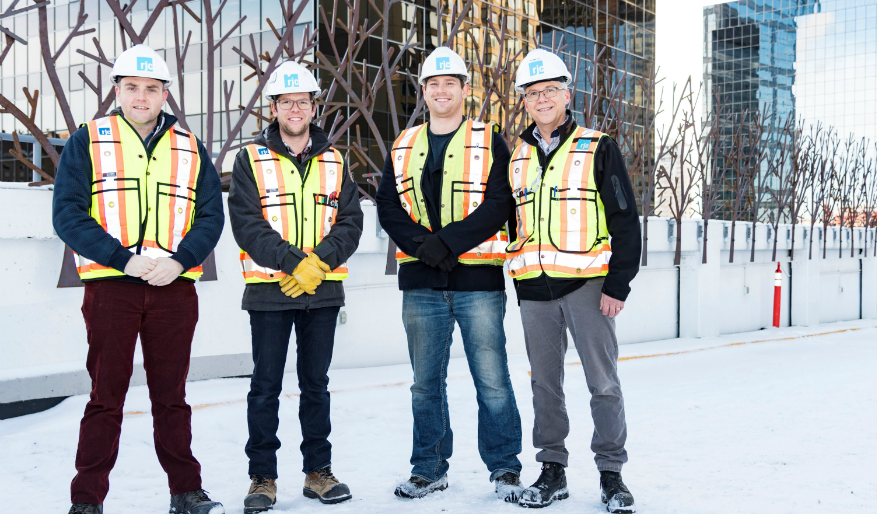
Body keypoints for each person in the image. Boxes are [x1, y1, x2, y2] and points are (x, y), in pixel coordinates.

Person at [52, 44, 225, 514]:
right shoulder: (88, 139)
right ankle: (87, 500)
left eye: (151, 89)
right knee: (105, 397)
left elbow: (211, 214)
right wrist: (123, 259)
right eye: (132, 88)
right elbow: (66, 213)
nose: (141, 97)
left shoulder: (189, 145)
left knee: (172, 398)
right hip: (112, 287)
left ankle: (186, 492)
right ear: (117, 91)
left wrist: (180, 260)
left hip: (174, 287)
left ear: (165, 94)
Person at [376, 46, 524, 502]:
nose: (441, 91)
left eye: (450, 83)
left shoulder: (489, 138)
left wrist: (449, 242)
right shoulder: (403, 143)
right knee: (425, 383)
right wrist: (426, 247)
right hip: (421, 284)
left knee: (492, 378)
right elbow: (387, 207)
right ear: (423, 91)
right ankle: (429, 468)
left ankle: (504, 469)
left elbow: (501, 202)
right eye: (433, 84)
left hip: (477, 281)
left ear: (464, 90)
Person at [506, 49, 642, 513]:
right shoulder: (516, 156)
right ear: (524, 101)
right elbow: (511, 222)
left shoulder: (597, 146)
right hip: (534, 290)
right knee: (544, 384)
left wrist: (618, 285)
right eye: (533, 93)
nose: (542, 99)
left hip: (588, 288)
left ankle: (611, 474)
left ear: (567, 94)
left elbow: (625, 218)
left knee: (603, 383)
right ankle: (552, 470)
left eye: (550, 91)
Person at [228, 60, 363, 513]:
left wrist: (318, 264)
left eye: (302, 101)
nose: (295, 108)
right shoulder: (250, 158)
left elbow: (351, 221)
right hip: (269, 290)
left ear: (312, 105)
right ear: (274, 108)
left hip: (321, 292)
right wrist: (292, 263)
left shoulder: (335, 159)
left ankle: (317, 473)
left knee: (316, 386)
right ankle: (262, 478)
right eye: (286, 102)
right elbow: (246, 224)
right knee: (265, 387)